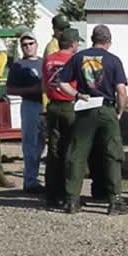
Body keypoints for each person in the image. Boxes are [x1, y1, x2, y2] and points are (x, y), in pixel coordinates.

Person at [59, 25, 128, 215]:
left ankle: (72, 200)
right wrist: (119, 112)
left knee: (77, 154)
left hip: (85, 107)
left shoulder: (78, 57)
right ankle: (114, 201)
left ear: (92, 39)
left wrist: (76, 94)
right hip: (106, 109)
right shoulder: (114, 60)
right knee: (112, 154)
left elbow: (62, 82)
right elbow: (121, 91)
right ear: (109, 41)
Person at [42, 28, 83, 208]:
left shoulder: (49, 59)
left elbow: (44, 83)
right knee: (71, 150)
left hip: (53, 105)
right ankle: (69, 194)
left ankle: (52, 194)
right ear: (73, 44)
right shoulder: (74, 59)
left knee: (54, 149)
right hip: (69, 105)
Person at [6, 31, 45, 193]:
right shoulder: (18, 66)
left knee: (45, 144)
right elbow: (9, 89)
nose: (28, 47)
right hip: (30, 106)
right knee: (30, 144)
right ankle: (30, 181)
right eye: (25, 45)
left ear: (37, 44)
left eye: (31, 43)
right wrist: (31, 89)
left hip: (47, 107)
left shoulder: (44, 62)